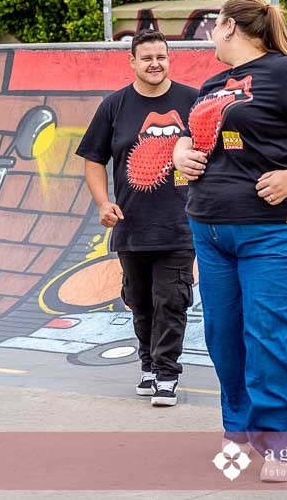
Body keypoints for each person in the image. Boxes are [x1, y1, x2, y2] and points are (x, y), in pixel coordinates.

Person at [172, 0, 287, 482]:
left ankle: (283, 444)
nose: (211, 35)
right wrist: (180, 152)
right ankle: (239, 427)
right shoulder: (214, 84)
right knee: (223, 334)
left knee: (265, 334)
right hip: (210, 228)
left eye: (214, 25)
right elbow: (195, 136)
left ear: (230, 26)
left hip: (277, 231)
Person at [76, 28, 198, 407]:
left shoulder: (193, 101)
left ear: (169, 59)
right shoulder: (114, 106)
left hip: (181, 224)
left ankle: (166, 374)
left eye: (161, 57)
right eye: (147, 58)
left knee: (171, 300)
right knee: (140, 302)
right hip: (132, 225)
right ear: (132, 61)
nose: (155, 64)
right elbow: (93, 158)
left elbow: (216, 149)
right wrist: (103, 203)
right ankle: (148, 365)